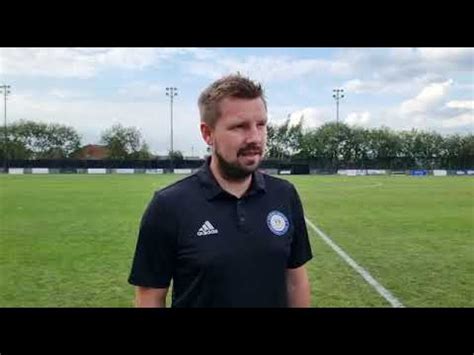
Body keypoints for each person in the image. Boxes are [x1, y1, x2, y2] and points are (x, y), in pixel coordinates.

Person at [128, 74, 313, 307]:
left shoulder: (284, 194)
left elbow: (295, 281)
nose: (255, 137)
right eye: (239, 127)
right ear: (208, 133)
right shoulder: (169, 206)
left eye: (261, 125)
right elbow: (150, 296)